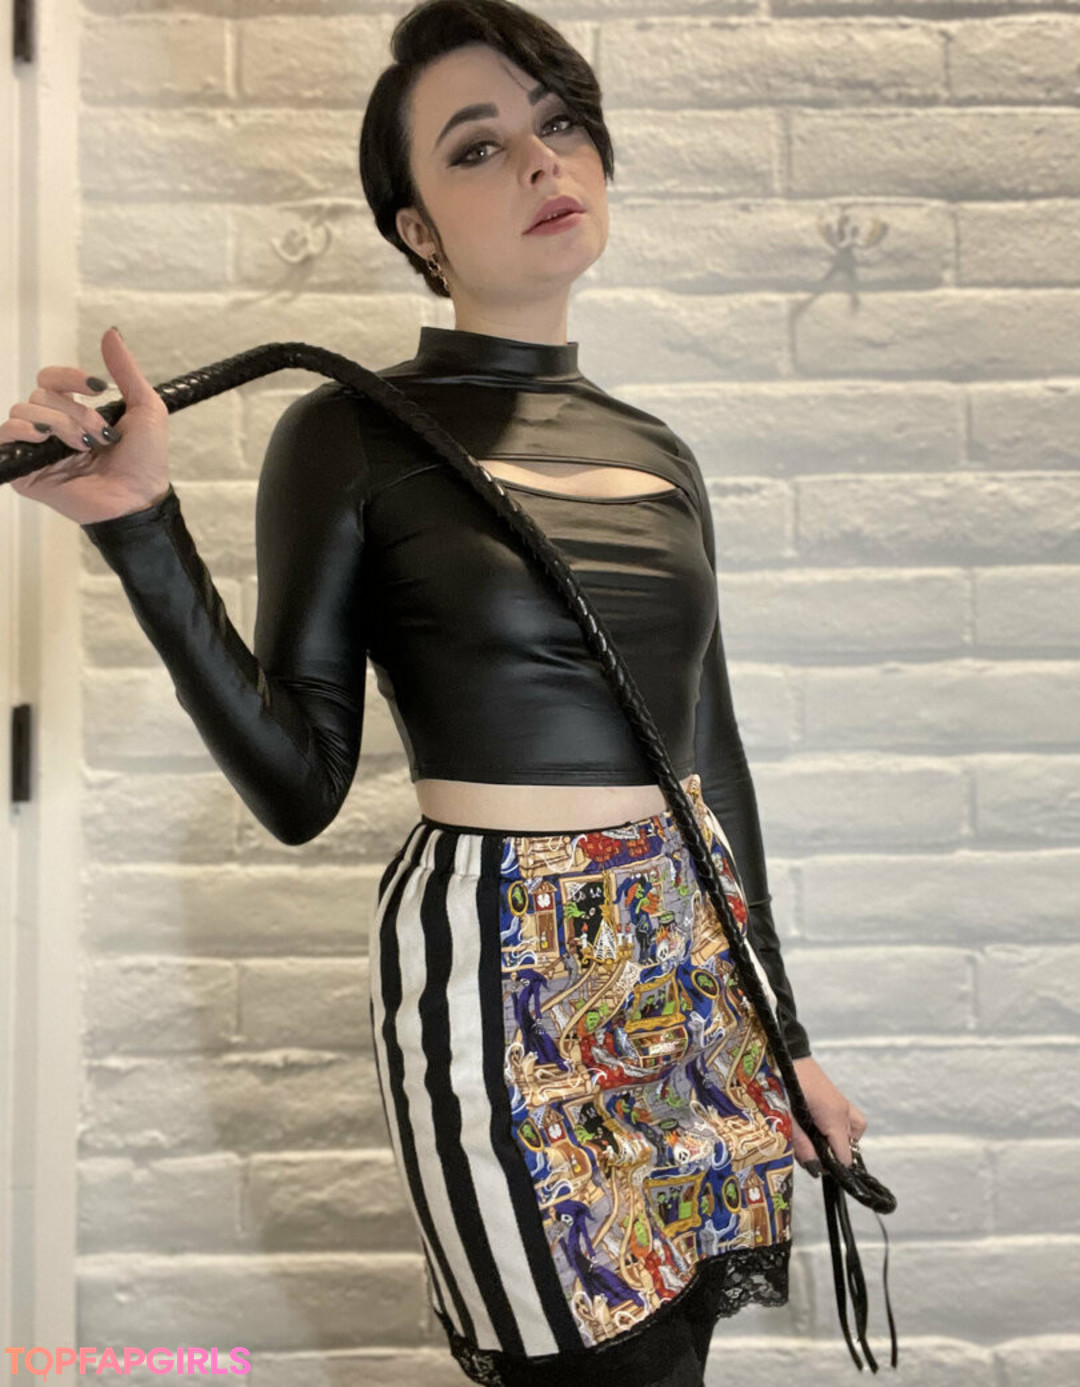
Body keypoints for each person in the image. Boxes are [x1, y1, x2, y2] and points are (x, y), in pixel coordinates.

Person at [1, 3, 870, 1383]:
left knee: (680, 1357)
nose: (540, 161)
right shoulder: (345, 431)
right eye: (478, 146)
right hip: (496, 963)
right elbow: (300, 786)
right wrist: (139, 530)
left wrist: (788, 1039)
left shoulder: (659, 450)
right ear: (416, 227)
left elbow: (716, 754)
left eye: (561, 122)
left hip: (686, 959)